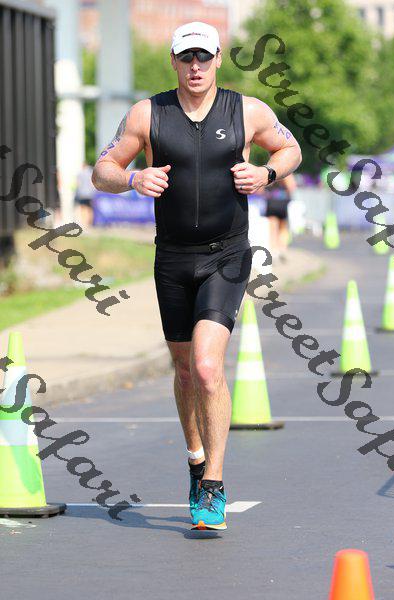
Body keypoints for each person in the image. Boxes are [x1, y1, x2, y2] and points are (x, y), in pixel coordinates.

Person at [92, 21, 302, 530]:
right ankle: (194, 456)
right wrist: (133, 178)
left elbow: (290, 149)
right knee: (185, 370)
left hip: (227, 253)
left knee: (208, 367)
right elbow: (102, 170)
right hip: (172, 258)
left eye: (203, 57)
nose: (195, 66)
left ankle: (214, 481)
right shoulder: (148, 114)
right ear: (173, 61)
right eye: (186, 57)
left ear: (218, 59)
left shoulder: (247, 110)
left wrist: (267, 173)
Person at [264, 173, 297, 262]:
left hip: (271, 202)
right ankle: (282, 249)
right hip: (283, 202)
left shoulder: (269, 171)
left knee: (272, 228)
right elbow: (292, 187)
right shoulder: (287, 173)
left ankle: (273, 250)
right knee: (283, 228)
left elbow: (263, 188)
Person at [74, 162, 96, 226]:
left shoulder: (80, 174)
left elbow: (78, 184)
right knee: (90, 209)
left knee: (83, 208)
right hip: (90, 194)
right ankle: (90, 222)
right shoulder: (91, 172)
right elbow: (93, 184)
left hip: (82, 194)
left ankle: (84, 223)